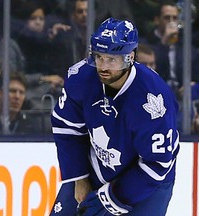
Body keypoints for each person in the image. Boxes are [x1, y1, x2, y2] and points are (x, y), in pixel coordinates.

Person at [50, 17, 180, 216]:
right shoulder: (81, 77)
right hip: (96, 168)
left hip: (147, 184)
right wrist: (80, 178)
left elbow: (157, 163)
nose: (103, 66)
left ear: (130, 57)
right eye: (99, 56)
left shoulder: (153, 100)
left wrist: (113, 198)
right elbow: (66, 128)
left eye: (112, 59)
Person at [146, 0, 199, 101]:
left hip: (181, 100)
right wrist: (164, 43)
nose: (171, 22)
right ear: (157, 20)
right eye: (167, 18)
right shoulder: (147, 44)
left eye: (175, 18)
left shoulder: (187, 48)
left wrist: (192, 87)